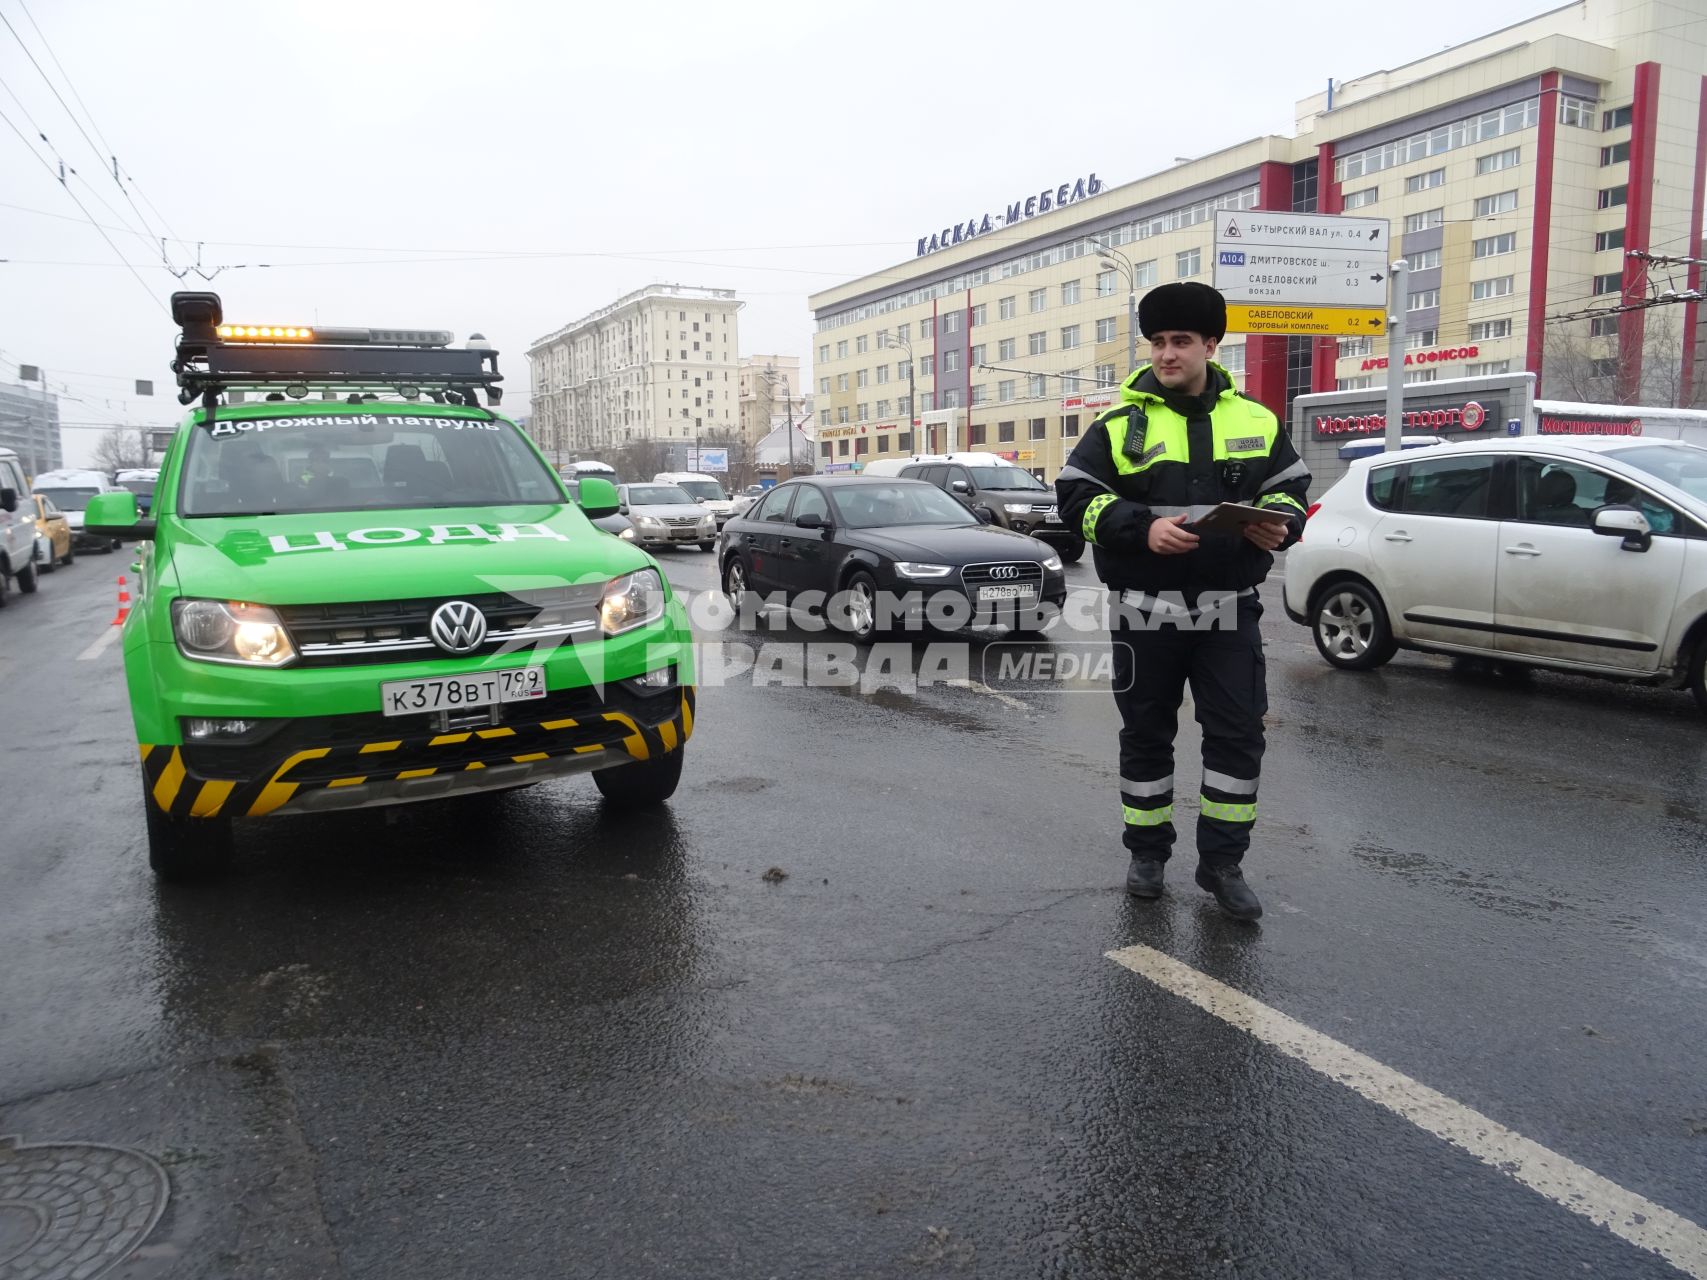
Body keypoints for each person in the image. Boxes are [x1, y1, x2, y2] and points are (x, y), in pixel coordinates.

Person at [1055, 282, 1310, 921]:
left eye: (1181, 342)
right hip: (1145, 611)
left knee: (1236, 739)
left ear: (1210, 346)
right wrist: (1137, 527)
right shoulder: (1119, 425)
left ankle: (1223, 864)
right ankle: (1147, 855)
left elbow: (1290, 490)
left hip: (1229, 611)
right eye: (1159, 342)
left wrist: (1279, 522)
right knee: (1146, 737)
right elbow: (1075, 498)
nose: (1167, 354)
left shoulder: (1255, 419)